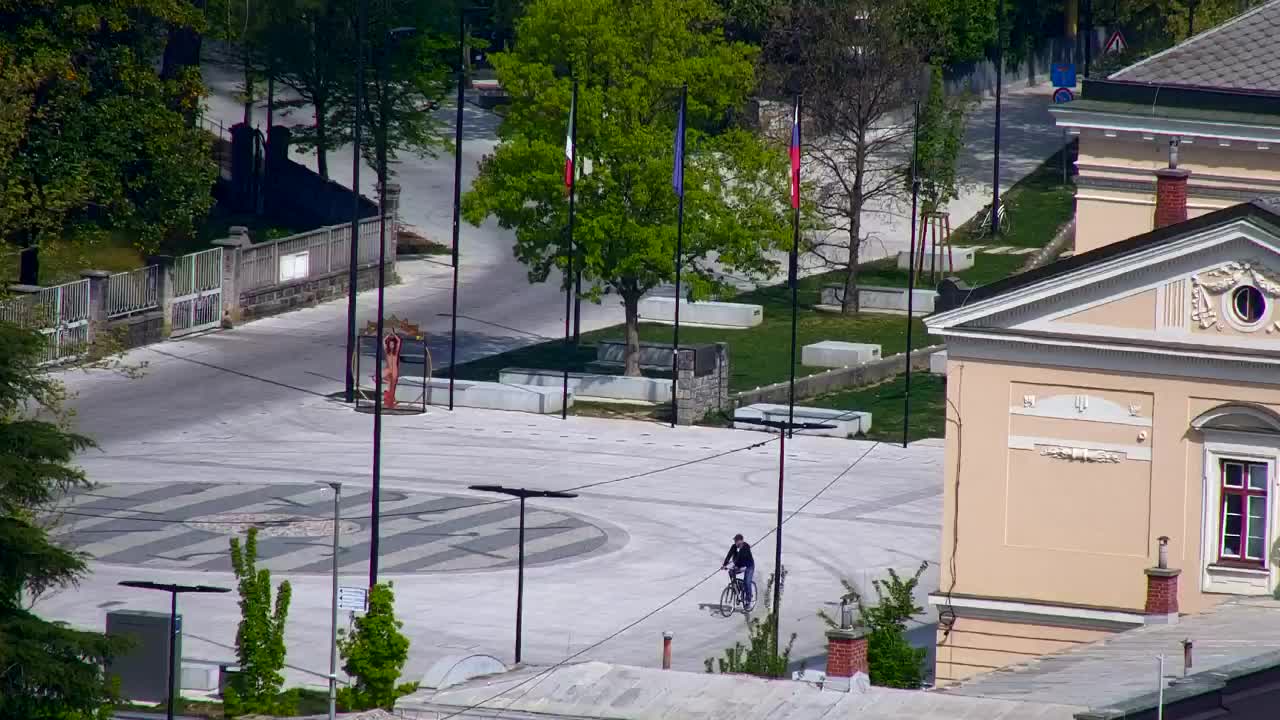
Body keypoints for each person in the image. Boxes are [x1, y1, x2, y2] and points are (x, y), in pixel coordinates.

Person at [721, 534, 755, 606]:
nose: (736, 542)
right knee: (731, 572)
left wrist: (733, 565)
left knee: (747, 582)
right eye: (735, 541)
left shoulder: (746, 547)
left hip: (748, 566)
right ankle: (737, 587)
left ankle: (749, 600)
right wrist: (724, 565)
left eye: (737, 541)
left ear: (742, 541)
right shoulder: (734, 547)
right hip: (739, 565)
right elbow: (729, 555)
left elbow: (739, 558)